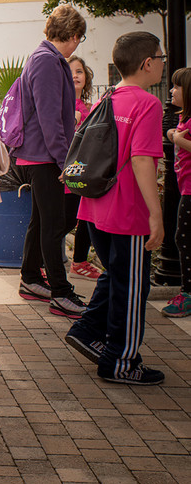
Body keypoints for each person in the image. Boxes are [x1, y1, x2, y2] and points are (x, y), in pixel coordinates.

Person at [65, 32, 166, 385]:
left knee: (115, 276)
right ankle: (121, 361)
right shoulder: (148, 104)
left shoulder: (106, 98)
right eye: (161, 56)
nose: (163, 62)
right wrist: (156, 214)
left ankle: (86, 330)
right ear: (147, 63)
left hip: (94, 207)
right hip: (127, 212)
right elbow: (141, 160)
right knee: (132, 288)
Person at [14, 4, 88, 318]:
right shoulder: (47, 62)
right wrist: (64, 162)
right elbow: (49, 119)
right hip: (44, 156)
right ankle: (60, 291)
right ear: (72, 36)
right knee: (55, 224)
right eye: (79, 39)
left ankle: (31, 277)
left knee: (43, 221)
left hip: (42, 155)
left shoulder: (46, 59)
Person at [66, 55, 102, 280]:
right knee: (66, 220)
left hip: (88, 171)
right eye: (70, 72)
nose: (75, 76)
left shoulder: (92, 107)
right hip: (67, 172)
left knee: (87, 218)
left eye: (79, 71)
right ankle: (38, 266)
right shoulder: (63, 106)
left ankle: (79, 262)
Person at [163, 67, 191, 317]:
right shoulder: (183, 117)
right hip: (186, 189)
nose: (171, 91)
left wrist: (178, 140)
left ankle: (188, 293)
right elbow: (173, 134)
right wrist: (173, 133)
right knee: (183, 238)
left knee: (183, 239)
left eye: (177, 87)